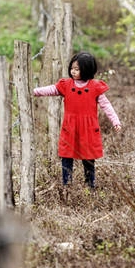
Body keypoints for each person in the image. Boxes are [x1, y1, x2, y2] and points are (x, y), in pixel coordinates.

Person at [33, 52, 121, 190]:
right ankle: (66, 185)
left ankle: (90, 185)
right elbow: (52, 89)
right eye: (72, 68)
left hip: (88, 128)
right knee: (66, 156)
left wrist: (115, 120)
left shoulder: (95, 86)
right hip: (70, 127)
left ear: (87, 70)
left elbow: (106, 105)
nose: (73, 71)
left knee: (88, 158)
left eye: (77, 69)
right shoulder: (66, 85)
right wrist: (35, 91)